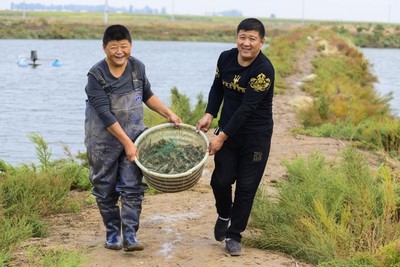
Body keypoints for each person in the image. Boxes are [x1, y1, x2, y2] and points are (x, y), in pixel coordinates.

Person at [84, 24, 181, 252]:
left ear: (131, 46)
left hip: (135, 137)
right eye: (114, 47)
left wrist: (168, 113)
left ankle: (130, 235)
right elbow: (105, 114)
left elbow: (146, 94)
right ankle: (112, 233)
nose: (120, 52)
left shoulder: (137, 67)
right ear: (104, 48)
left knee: (132, 187)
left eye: (124, 47)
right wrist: (126, 142)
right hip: (103, 142)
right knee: (105, 187)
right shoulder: (95, 76)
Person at [196, 18, 274, 256]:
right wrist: (210, 113)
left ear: (261, 42)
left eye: (252, 39)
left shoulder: (263, 70)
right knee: (220, 180)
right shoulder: (225, 58)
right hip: (228, 130)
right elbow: (217, 87)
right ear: (236, 37)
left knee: (247, 187)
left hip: (255, 136)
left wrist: (221, 137)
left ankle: (234, 235)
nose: (246, 43)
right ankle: (224, 214)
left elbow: (247, 108)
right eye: (243, 37)